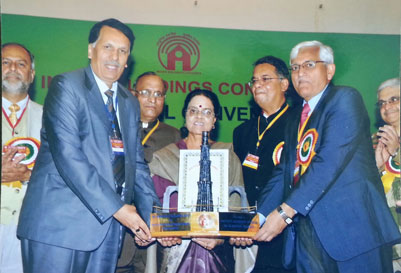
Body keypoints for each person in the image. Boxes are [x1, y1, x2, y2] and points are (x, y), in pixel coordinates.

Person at [233, 40, 401, 273]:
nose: (300, 73)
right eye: (295, 67)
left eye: (309, 65)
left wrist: (283, 212)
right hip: (307, 240)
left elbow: (328, 161)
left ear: (330, 70)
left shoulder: (344, 99)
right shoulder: (294, 118)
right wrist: (258, 217)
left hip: (354, 234)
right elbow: (284, 171)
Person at [17, 18, 160, 273]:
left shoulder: (128, 102)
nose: (115, 57)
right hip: (59, 228)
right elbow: (69, 158)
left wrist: (153, 221)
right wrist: (119, 209)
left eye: (123, 51)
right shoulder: (67, 87)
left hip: (107, 231)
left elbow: (136, 164)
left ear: (128, 60)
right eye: (108, 47)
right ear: (90, 50)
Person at [148, 89, 246, 273]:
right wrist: (165, 232)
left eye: (207, 112)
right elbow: (155, 206)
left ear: (215, 119)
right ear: (185, 115)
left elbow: (236, 207)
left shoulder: (228, 157)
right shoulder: (164, 157)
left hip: (218, 253)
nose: (199, 116)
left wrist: (220, 237)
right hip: (174, 253)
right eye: (193, 111)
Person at [233, 56, 296, 273]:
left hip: (286, 232)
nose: (257, 84)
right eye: (254, 80)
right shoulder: (242, 131)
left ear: (285, 84)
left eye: (265, 78)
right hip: (247, 235)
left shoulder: (299, 126)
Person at [117, 72, 180, 273]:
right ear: (133, 94)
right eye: (145, 92)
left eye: (159, 94)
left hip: (157, 239)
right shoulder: (115, 128)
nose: (152, 99)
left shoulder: (174, 135)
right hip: (119, 232)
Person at [1, 43, 42, 273]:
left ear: (32, 74)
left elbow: (61, 173)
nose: (13, 68)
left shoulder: (51, 117)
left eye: (21, 63)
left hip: (30, 229)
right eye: (5, 62)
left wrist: (26, 175)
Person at [372, 78, 401, 272]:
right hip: (384, 235)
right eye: (382, 103)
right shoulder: (374, 140)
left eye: (394, 99)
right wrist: (377, 168)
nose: (387, 106)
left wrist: (397, 153)